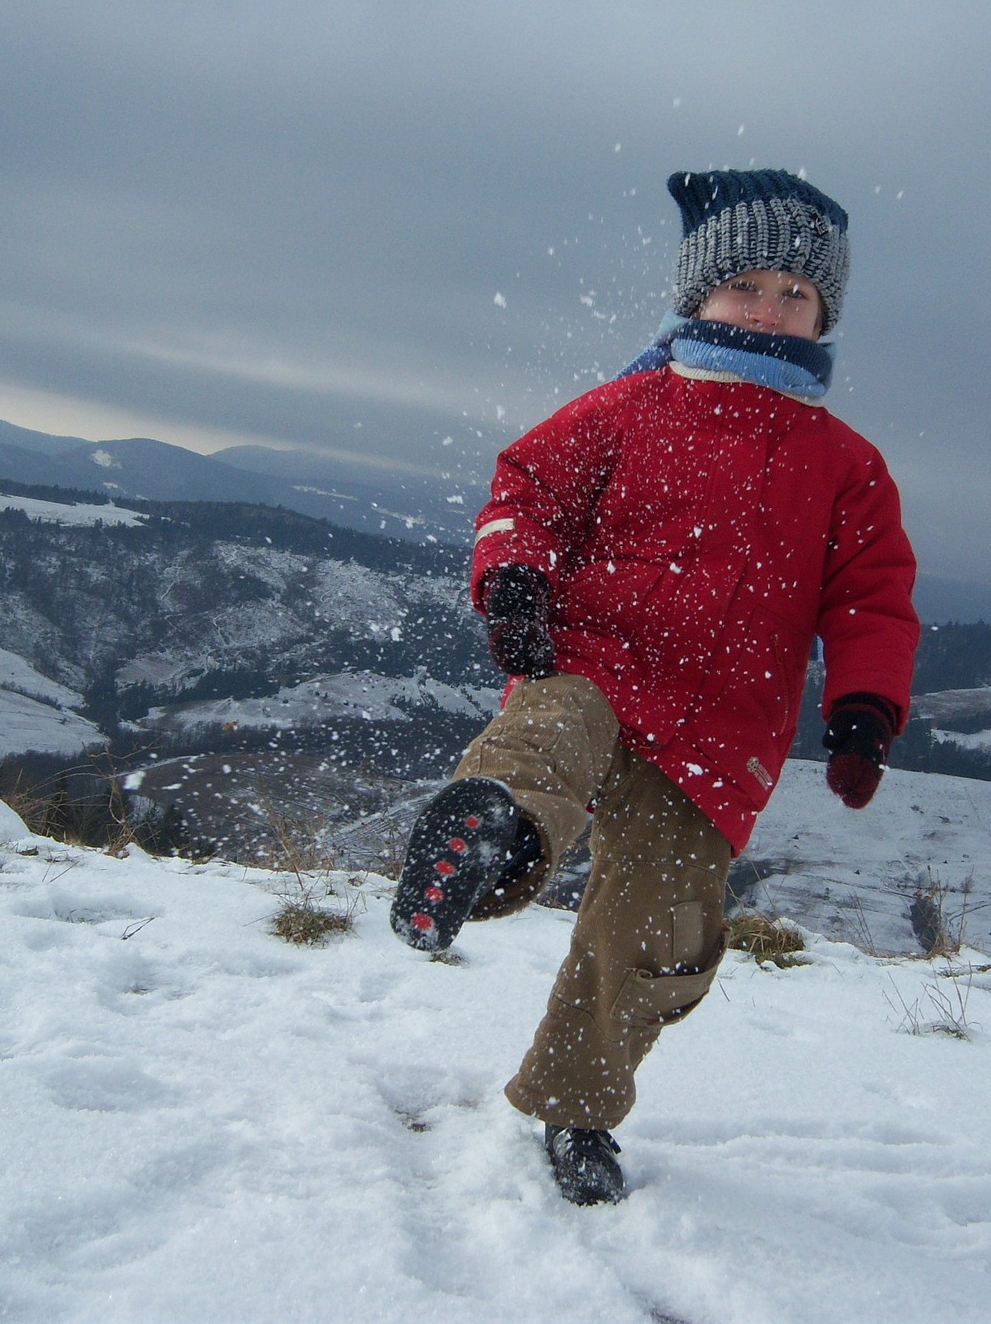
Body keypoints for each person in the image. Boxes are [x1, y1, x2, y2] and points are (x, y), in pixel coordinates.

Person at [390, 168, 919, 1205]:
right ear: (698, 294)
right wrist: (513, 579)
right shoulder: (629, 408)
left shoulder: (847, 466)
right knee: (545, 740)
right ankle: (487, 838)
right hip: (593, 664)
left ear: (824, 315)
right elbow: (526, 493)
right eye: (749, 286)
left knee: (657, 932)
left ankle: (576, 1106)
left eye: (796, 294)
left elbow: (873, 601)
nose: (771, 309)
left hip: (725, 732)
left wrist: (864, 708)